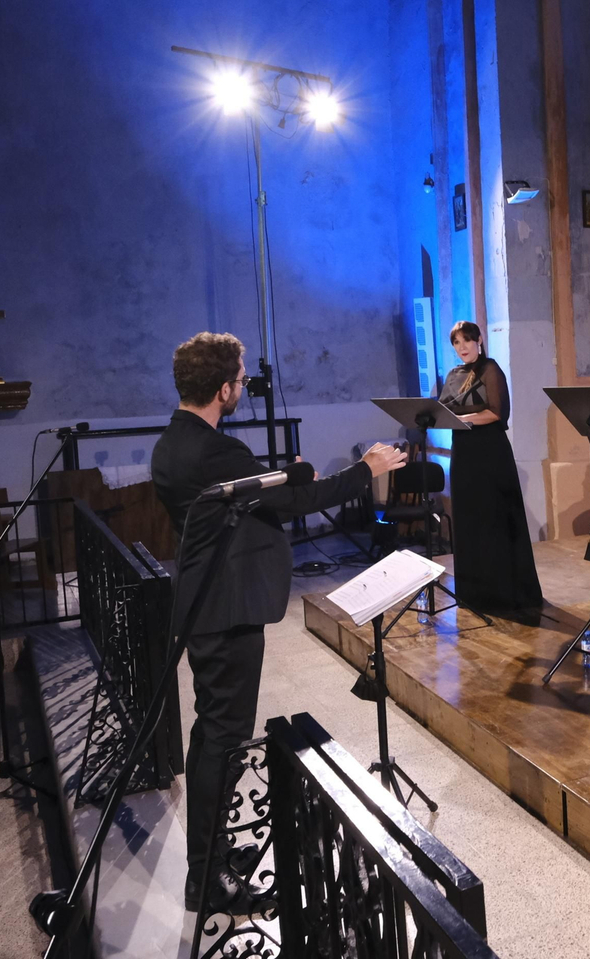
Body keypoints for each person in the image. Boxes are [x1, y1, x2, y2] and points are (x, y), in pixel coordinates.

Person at [151, 332, 405, 914]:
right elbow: (292, 504)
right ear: (223, 388)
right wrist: (366, 469)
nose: (242, 387)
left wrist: (280, 477)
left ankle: (212, 852)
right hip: (226, 607)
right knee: (221, 735)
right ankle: (206, 878)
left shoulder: (177, 441)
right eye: (239, 379)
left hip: (209, 603)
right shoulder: (215, 452)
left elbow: (256, 493)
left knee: (216, 731)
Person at [436, 321, 544, 622]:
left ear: (479, 340)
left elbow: (497, 412)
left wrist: (465, 419)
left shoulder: (490, 369)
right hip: (464, 453)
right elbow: (442, 411)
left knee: (493, 518)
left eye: (467, 340)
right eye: (457, 343)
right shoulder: (453, 375)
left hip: (489, 452)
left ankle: (503, 592)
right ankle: (474, 591)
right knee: (469, 519)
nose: (463, 347)